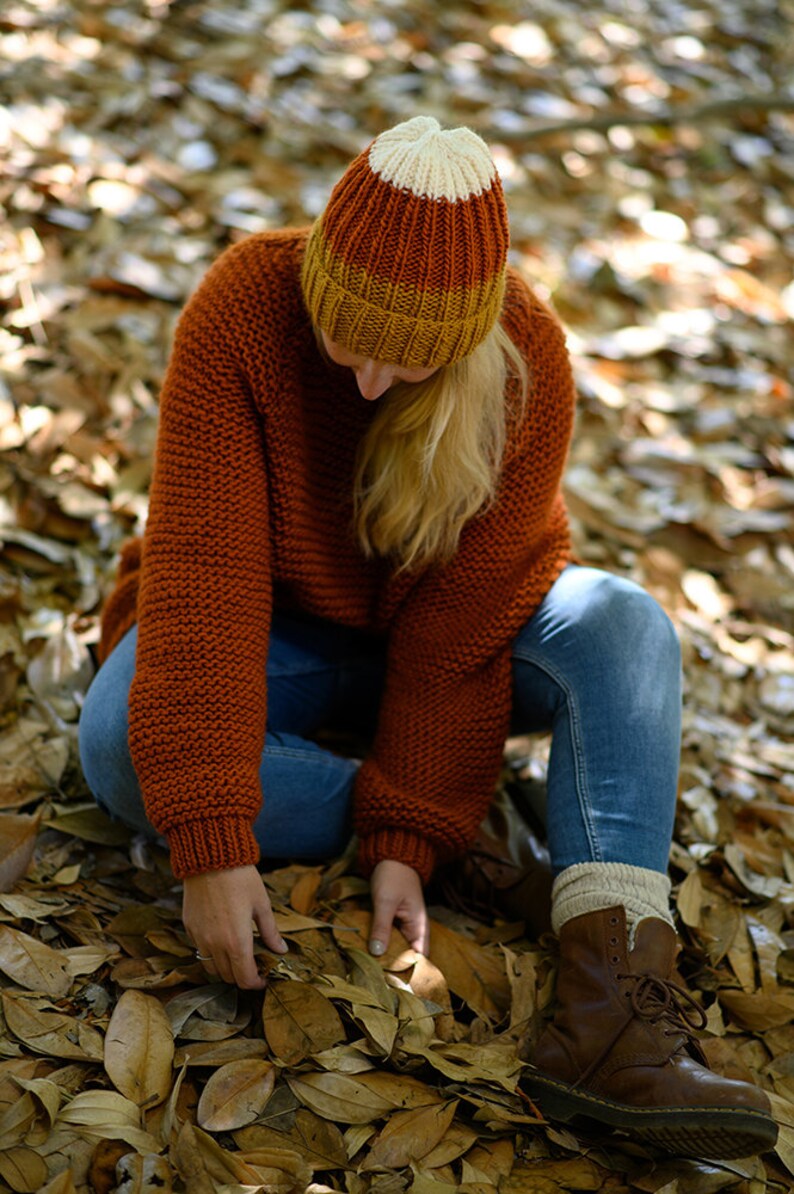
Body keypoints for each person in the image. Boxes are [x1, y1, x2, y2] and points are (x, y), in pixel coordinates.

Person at [79, 115, 776, 1158]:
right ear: (316, 278)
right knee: (117, 749)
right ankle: (478, 836)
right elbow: (203, 583)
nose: (364, 385)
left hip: (454, 642)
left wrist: (409, 842)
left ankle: (613, 1011)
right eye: (345, 342)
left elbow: (459, 636)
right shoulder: (241, 308)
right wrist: (213, 842)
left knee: (623, 624)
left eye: (403, 364)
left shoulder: (523, 359)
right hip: (276, 640)